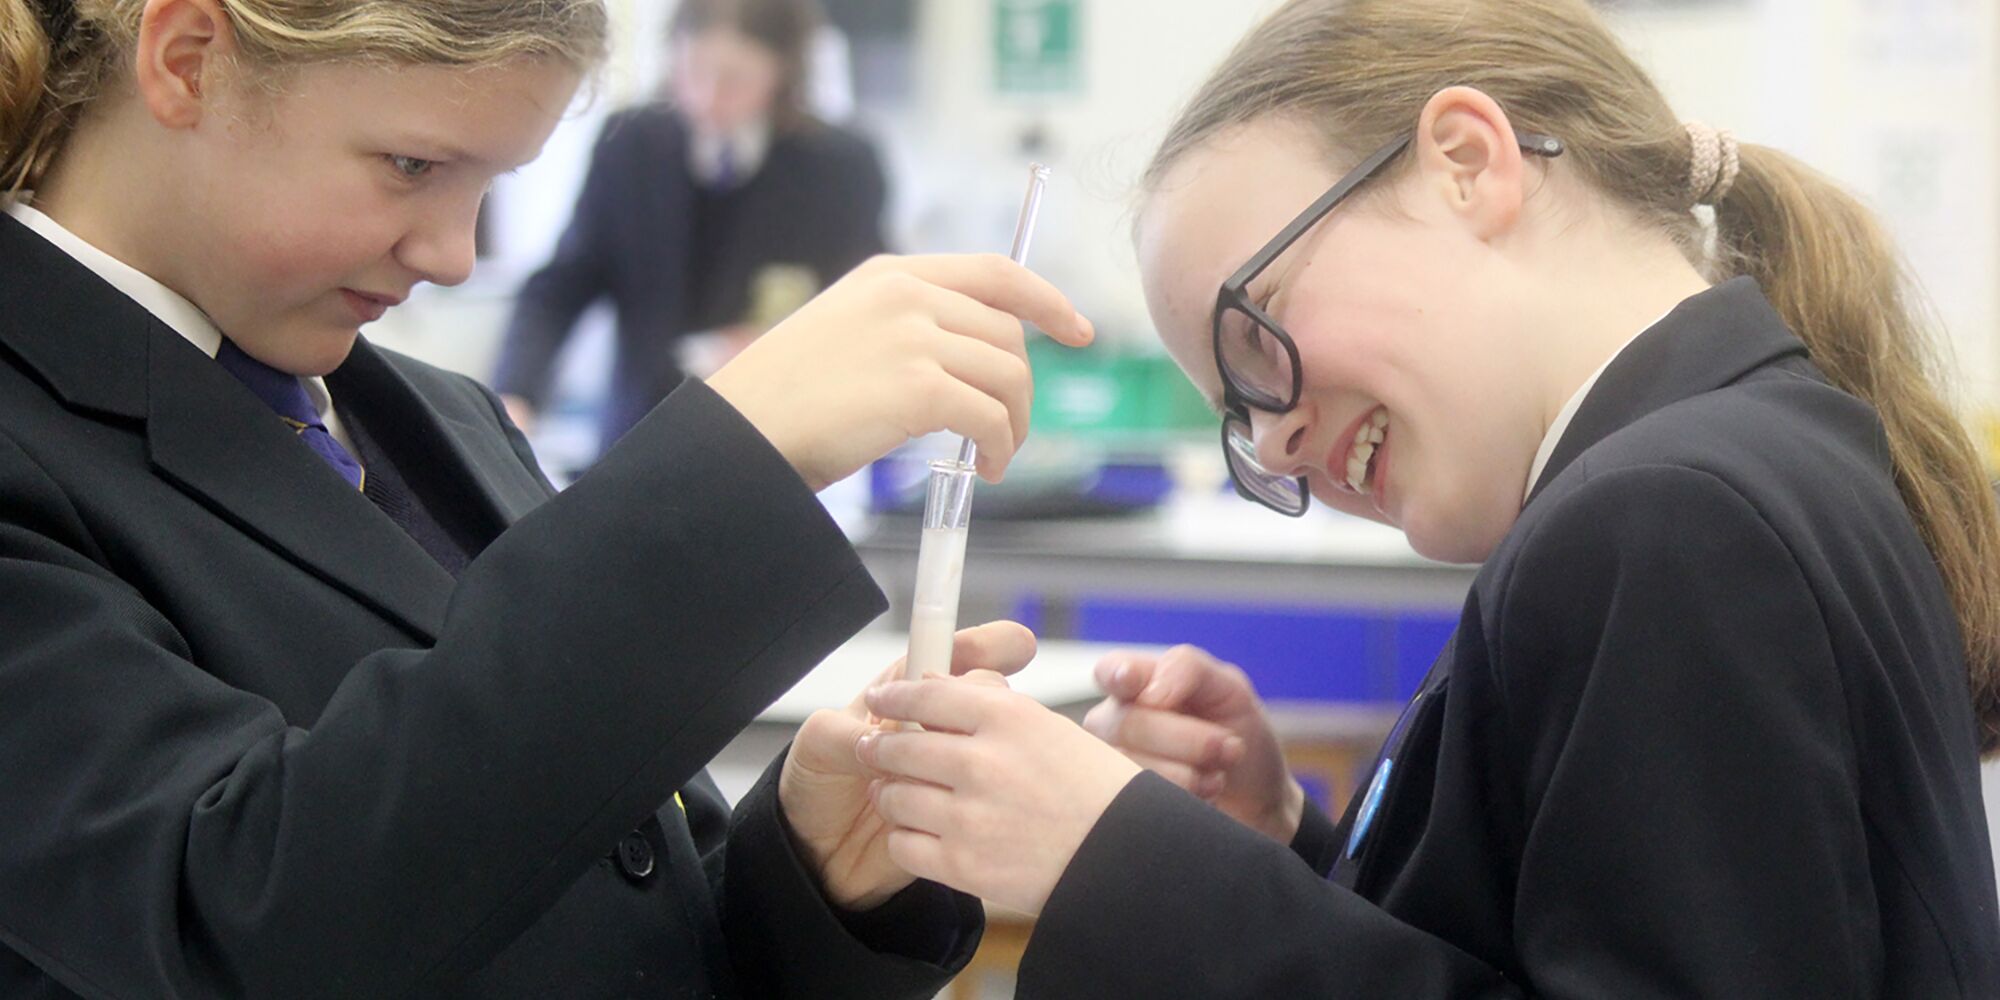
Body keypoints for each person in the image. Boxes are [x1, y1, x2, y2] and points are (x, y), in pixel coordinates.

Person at [855, 0, 2000, 995]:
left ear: (1465, 162)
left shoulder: (1664, 518)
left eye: (1255, 330)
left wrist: (1125, 861)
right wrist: (1280, 847)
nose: (1276, 440)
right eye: (1235, 413)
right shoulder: (1732, 456)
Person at [0, 0, 1091, 996]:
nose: (455, 254)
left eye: (490, 183)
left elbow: (622, 917)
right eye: (412, 164)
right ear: (187, 62)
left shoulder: (445, 423)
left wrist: (807, 870)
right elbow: (236, 924)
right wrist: (727, 470)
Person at [491, 0, 889, 454]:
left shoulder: (840, 167)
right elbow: (562, 287)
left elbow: (869, 305)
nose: (709, 96)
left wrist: (782, 343)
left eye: (734, 79)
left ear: (782, 70)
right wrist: (515, 394)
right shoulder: (630, 144)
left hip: (775, 440)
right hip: (638, 437)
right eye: (695, 71)